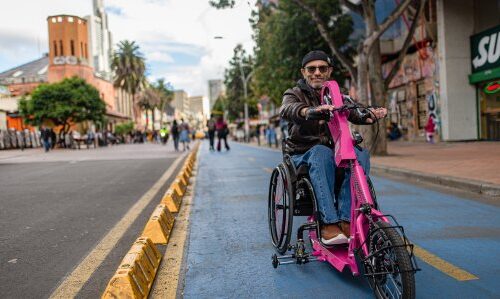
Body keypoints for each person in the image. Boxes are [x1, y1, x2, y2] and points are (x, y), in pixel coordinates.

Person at [280, 50, 387, 245]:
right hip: (302, 154)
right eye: (312, 69)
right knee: (321, 153)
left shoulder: (338, 96)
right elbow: (287, 109)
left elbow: (357, 112)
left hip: (334, 153)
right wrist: (309, 111)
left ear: (329, 71)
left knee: (359, 155)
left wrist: (370, 114)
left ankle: (346, 220)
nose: (317, 73)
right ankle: (329, 223)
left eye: (322, 68)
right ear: (303, 72)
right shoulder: (294, 93)